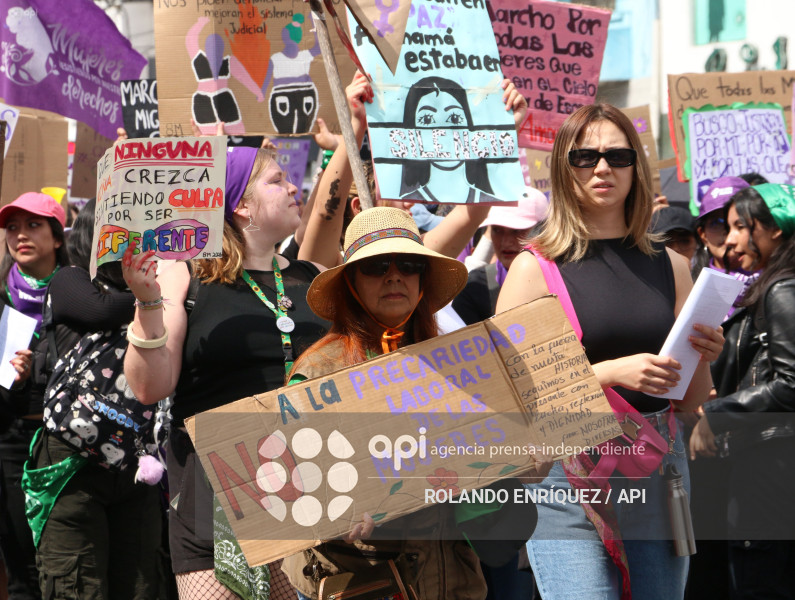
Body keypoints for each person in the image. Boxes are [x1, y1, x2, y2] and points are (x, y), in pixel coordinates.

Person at [496, 103, 724, 599]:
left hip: (657, 471)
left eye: (618, 156)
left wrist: (705, 351)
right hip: (567, 480)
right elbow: (506, 397)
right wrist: (609, 373)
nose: (603, 168)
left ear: (635, 167)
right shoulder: (533, 270)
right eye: (586, 156)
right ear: (563, 166)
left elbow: (689, 401)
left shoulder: (673, 265)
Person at [281, 207, 549, 600]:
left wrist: (528, 458)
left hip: (455, 582)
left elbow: (515, 458)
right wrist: (332, 507)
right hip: (365, 585)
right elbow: (293, 491)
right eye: (375, 266)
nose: (394, 275)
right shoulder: (318, 373)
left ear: (422, 279)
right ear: (350, 281)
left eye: (408, 264)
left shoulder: (465, 363)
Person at [121, 145, 328, 599]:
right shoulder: (186, 275)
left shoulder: (314, 275)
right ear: (241, 205)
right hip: (216, 498)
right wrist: (147, 301)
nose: (294, 187)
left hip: (315, 490)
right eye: (276, 180)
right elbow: (148, 385)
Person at [23, 199, 164, 600]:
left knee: (140, 584)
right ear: (94, 236)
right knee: (77, 583)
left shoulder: (152, 295)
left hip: (135, 463)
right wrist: (152, 296)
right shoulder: (69, 279)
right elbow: (100, 310)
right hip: (71, 460)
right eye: (123, 236)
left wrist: (152, 294)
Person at [689, 183, 795, 599]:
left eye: (739, 226)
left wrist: (715, 416)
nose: (729, 239)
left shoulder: (782, 288)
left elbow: (790, 383)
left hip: (771, 470)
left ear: (775, 230)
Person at [0, 192, 68, 600]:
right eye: (12, 227)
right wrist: (16, 380)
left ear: (57, 237)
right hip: (10, 441)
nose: (21, 234)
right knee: (22, 564)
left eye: (33, 225)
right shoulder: (1, 296)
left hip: (64, 445)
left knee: (62, 561)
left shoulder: (80, 295)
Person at [452, 188, 548, 325]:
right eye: (497, 230)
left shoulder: (569, 276)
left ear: (543, 229)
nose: (505, 242)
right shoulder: (475, 288)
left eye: (517, 231)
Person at [399, 77, 501, 204]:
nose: (443, 132)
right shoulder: (404, 206)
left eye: (454, 118)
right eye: (426, 120)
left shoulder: (489, 202)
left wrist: (514, 123)